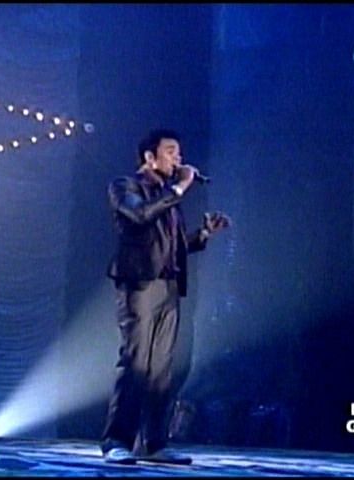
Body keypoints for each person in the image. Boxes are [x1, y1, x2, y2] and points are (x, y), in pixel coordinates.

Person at [101, 129, 231, 465]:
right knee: (136, 363)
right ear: (150, 157)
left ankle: (154, 442)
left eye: (179, 152)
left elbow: (172, 246)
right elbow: (139, 216)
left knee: (161, 368)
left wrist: (204, 234)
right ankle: (117, 440)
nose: (178, 159)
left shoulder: (167, 198)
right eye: (171, 151)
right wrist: (180, 187)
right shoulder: (125, 186)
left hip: (169, 287)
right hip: (140, 284)